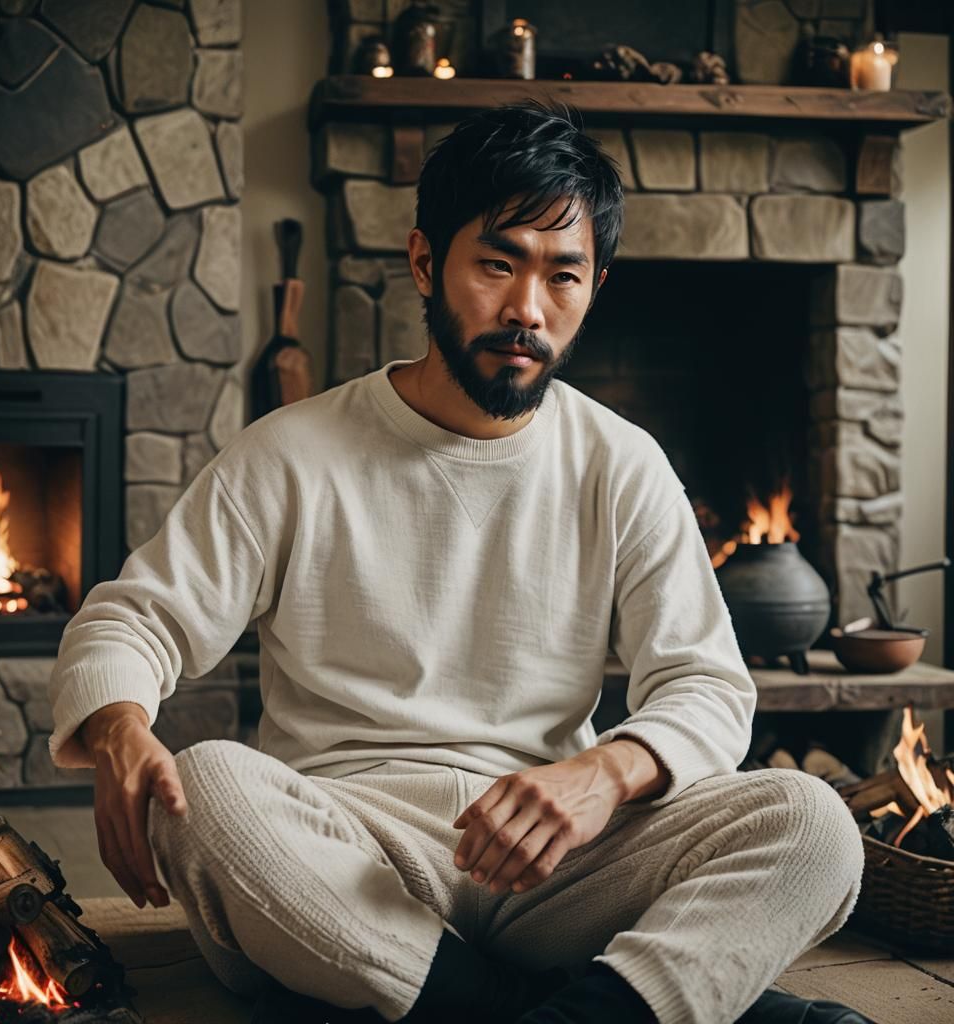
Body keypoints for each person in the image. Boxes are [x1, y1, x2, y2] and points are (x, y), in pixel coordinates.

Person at [48, 103, 869, 1024]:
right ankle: (565, 1005)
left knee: (813, 824)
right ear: (424, 263)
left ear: (596, 286)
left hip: (554, 856)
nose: (527, 309)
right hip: (349, 856)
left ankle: (474, 1005)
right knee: (201, 789)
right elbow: (135, 618)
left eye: (563, 276)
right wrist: (119, 730)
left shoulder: (622, 463)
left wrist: (600, 778)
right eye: (497, 263)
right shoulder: (290, 453)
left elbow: (709, 688)